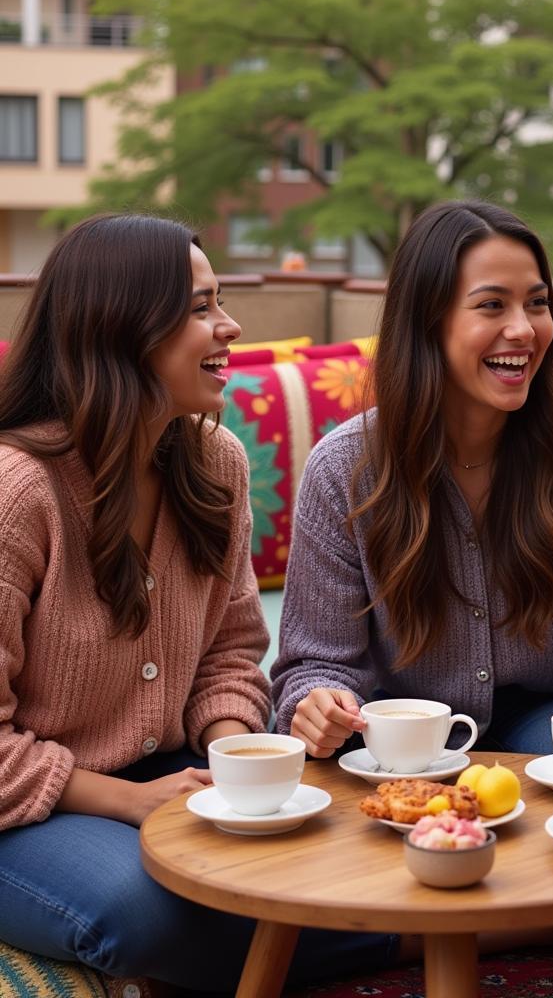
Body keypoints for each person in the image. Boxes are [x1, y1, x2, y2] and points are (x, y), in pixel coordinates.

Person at [0, 214, 393, 991]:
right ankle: (402, 943)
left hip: (167, 772)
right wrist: (132, 801)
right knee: (141, 908)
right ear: (119, 329)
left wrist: (234, 754)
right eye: (200, 307)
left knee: (339, 837)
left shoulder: (215, 462)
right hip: (25, 812)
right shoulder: (18, 494)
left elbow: (230, 653)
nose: (230, 325)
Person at [272, 200, 553, 761]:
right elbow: (316, 665)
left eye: (537, 303)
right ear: (428, 321)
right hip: (403, 727)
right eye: (492, 305)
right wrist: (318, 704)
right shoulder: (343, 470)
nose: (523, 329)